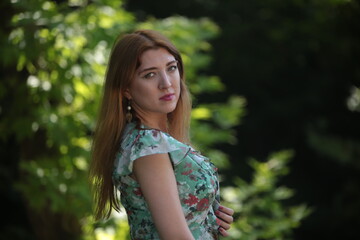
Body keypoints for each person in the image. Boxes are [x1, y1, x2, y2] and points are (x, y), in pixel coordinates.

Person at [89, 29, 234, 239]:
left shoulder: (146, 139)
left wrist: (206, 214)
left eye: (171, 68)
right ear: (126, 89)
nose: (166, 83)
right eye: (150, 74)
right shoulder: (148, 147)